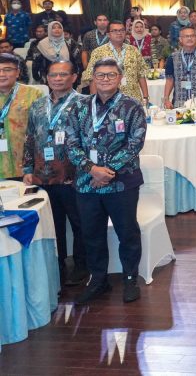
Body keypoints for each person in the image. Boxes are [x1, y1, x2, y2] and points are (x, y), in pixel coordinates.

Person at [64, 57, 147, 304]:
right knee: (91, 234)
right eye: (100, 75)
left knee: (127, 232)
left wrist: (106, 171)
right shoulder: (79, 106)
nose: (105, 79)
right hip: (87, 183)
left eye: (111, 75)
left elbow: (135, 143)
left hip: (122, 183)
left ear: (120, 78)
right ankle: (98, 280)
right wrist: (92, 169)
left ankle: (130, 279)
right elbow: (70, 142)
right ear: (93, 78)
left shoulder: (132, 106)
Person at [22, 59, 88, 285]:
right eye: (53, 75)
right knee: (53, 223)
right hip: (43, 175)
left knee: (79, 222)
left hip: (74, 175)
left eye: (63, 74)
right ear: (46, 78)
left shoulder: (84, 104)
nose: (58, 79)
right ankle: (57, 264)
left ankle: (81, 265)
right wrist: (27, 168)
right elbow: (30, 138)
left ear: (74, 77)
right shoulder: (38, 106)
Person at [81, 22, 149, 106]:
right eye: (115, 31)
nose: (119, 33)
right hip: (108, 99)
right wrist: (95, 102)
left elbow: (141, 75)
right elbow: (92, 78)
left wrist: (145, 97)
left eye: (122, 30)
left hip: (133, 99)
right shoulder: (98, 52)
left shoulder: (134, 50)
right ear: (108, 34)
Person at [0, 52, 44, 179]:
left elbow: (41, 133)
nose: (2, 74)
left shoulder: (34, 94)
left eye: (7, 70)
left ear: (17, 72)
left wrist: (33, 167)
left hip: (25, 168)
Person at [163, 26, 196, 109]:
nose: (189, 38)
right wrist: (166, 99)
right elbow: (169, 79)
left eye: (192, 36)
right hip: (180, 102)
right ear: (180, 39)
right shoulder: (172, 57)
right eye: (186, 36)